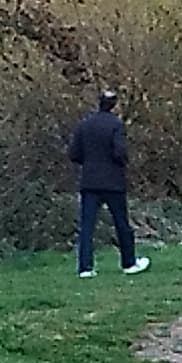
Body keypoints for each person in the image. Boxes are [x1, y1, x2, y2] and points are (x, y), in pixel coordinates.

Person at [70, 88, 146, 277]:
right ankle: (128, 263)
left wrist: (89, 164)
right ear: (114, 105)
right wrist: (123, 163)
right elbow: (119, 152)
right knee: (121, 223)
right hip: (113, 182)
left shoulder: (84, 125)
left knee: (87, 226)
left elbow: (74, 154)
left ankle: (85, 267)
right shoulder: (116, 125)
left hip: (89, 181)